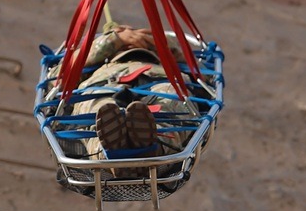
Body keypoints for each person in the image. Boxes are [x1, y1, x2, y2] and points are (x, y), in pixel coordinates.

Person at [55, 25, 210, 172]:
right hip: (105, 82)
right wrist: (114, 40)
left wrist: (159, 43)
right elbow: (59, 77)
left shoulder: (167, 61)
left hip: (161, 79)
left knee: (171, 102)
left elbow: (203, 76)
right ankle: (107, 150)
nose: (134, 36)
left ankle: (153, 144)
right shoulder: (95, 60)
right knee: (98, 107)